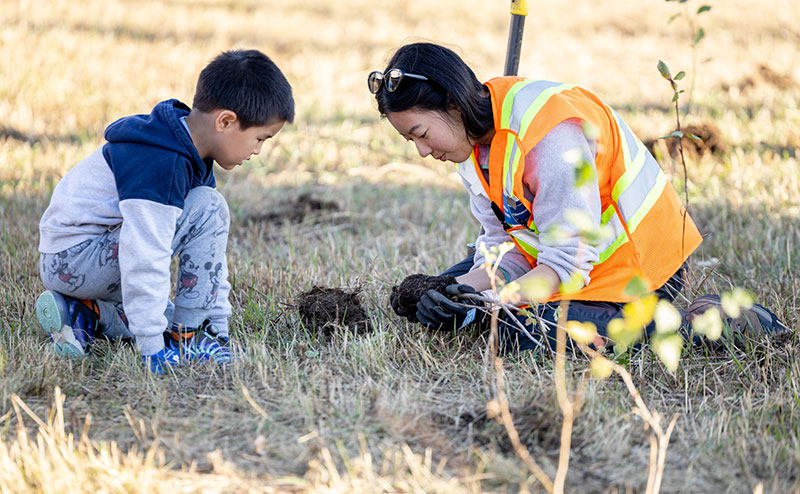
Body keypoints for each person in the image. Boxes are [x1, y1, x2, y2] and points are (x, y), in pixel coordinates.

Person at [372, 42, 786, 352]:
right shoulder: (471, 145)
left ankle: (701, 321)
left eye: (421, 135)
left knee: (516, 332)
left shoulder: (548, 137)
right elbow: (505, 248)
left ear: (454, 105)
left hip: (637, 269)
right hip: (561, 256)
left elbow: (563, 265)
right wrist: (456, 289)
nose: (422, 152)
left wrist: (489, 305)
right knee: (446, 297)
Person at [36, 49, 294, 373]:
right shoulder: (163, 163)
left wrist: (219, 327)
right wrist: (153, 349)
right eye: (259, 138)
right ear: (226, 121)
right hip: (73, 257)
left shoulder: (188, 151)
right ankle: (187, 338)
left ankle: (84, 314)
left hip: (85, 262)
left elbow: (209, 257)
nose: (258, 150)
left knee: (165, 311)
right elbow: (145, 256)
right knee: (207, 212)